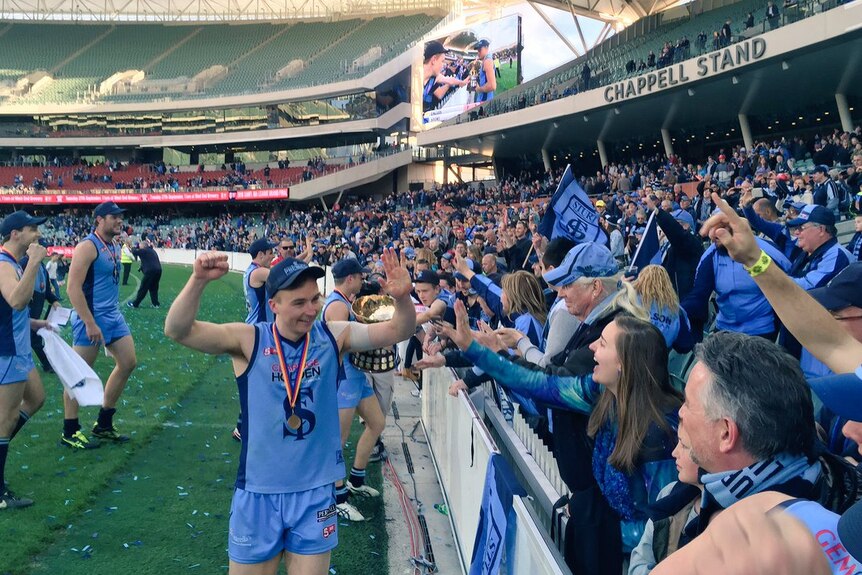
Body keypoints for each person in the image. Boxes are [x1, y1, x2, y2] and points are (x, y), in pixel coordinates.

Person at [164, 249, 415, 575]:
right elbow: (177, 330)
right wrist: (197, 281)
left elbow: (399, 331)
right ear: (274, 305)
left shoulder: (333, 336)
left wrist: (404, 299)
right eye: (299, 303)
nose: (311, 310)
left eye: (314, 299)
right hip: (258, 494)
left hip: (314, 495)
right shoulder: (249, 339)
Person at [441, 301, 681, 567]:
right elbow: (538, 383)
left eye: (601, 343)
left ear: (624, 363)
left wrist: (596, 526)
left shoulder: (661, 435)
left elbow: (661, 529)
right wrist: (473, 349)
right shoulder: (600, 391)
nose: (591, 348)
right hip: (601, 541)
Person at [63, 202, 138, 449]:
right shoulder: (87, 246)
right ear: (99, 219)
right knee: (78, 374)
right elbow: (72, 287)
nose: (119, 221)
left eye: (120, 217)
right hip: (91, 317)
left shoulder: (114, 244)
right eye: (113, 217)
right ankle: (70, 430)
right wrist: (89, 322)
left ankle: (104, 423)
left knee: (128, 362)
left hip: (112, 315)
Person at [322, 258, 385, 523]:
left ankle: (355, 480)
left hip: (355, 377)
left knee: (376, 423)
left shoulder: (343, 302)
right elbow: (337, 345)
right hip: (344, 378)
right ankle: (337, 499)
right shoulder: (337, 305)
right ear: (350, 279)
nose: (362, 281)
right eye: (359, 277)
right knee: (338, 440)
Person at [0, 211, 49, 509]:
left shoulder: (13, 264)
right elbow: (16, 300)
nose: (38, 234)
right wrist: (34, 261)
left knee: (37, 398)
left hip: (18, 348)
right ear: (15, 234)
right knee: (4, 421)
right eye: (32, 229)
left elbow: (14, 309)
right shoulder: (5, 264)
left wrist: (36, 324)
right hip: (7, 351)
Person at [681, 232, 791, 339]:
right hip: (725, 328)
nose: (713, 236)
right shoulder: (711, 255)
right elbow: (699, 295)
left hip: (761, 329)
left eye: (720, 229)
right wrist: (679, 312)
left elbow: (791, 284)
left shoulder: (764, 248)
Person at [785, 205, 852, 290]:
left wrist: (776, 279)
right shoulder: (807, 252)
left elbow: (809, 288)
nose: (796, 233)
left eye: (801, 228)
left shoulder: (837, 255)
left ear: (821, 230)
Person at [20, 249, 61, 373]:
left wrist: (53, 300)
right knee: (33, 337)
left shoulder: (41, 265)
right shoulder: (23, 263)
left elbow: (46, 287)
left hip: (37, 303)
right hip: (28, 304)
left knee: (32, 336)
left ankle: (45, 364)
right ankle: (47, 364)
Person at [127, 240, 162, 309]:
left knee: (143, 287)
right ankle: (155, 304)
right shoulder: (152, 251)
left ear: (143, 246)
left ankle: (135, 304)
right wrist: (141, 267)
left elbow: (134, 251)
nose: (139, 247)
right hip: (158, 270)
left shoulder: (144, 250)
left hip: (151, 271)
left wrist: (134, 246)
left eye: (140, 246)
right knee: (153, 287)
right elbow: (148, 260)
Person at [470, 39, 496, 104]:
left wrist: (479, 89)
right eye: (477, 50)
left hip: (484, 101)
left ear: (486, 48)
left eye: (479, 50)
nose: (478, 53)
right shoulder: (486, 60)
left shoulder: (487, 61)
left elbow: (492, 86)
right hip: (484, 99)